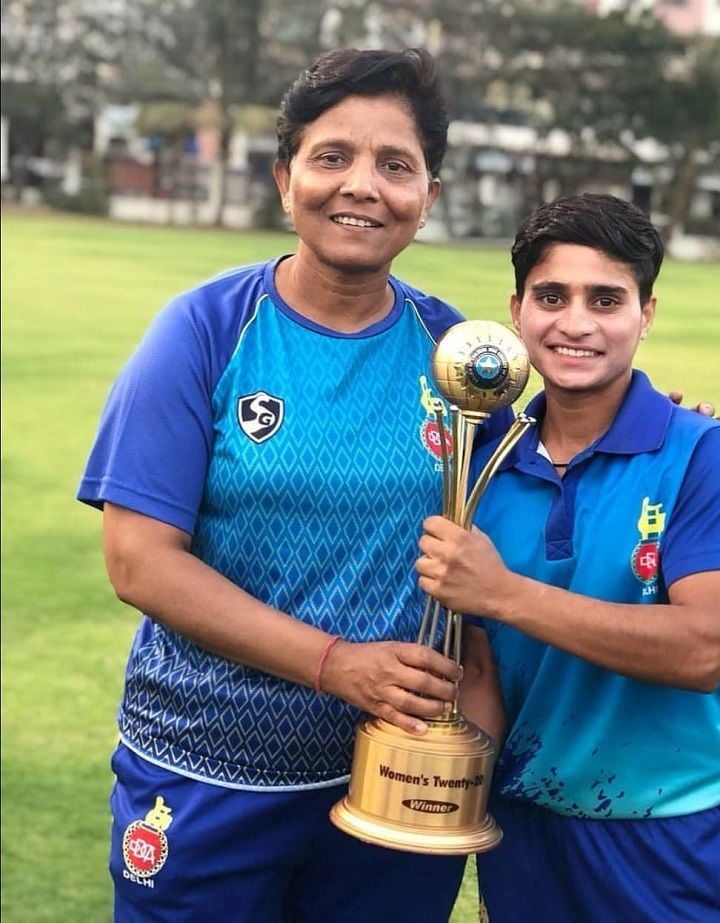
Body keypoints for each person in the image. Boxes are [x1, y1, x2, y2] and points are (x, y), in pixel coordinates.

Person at [78, 47, 509, 923]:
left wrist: (686, 430)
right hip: (204, 769)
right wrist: (335, 664)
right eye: (332, 156)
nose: (362, 185)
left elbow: (537, 487)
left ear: (428, 199)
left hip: (396, 777)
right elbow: (139, 562)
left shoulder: (456, 351)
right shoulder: (204, 329)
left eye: (396, 165)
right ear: (286, 179)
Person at [416, 194, 720, 922]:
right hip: (524, 832)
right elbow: (482, 671)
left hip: (665, 833)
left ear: (647, 312)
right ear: (516, 309)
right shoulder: (484, 467)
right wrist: (440, 789)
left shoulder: (702, 453)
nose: (575, 322)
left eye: (606, 298)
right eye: (551, 296)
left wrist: (503, 592)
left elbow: (701, 648)